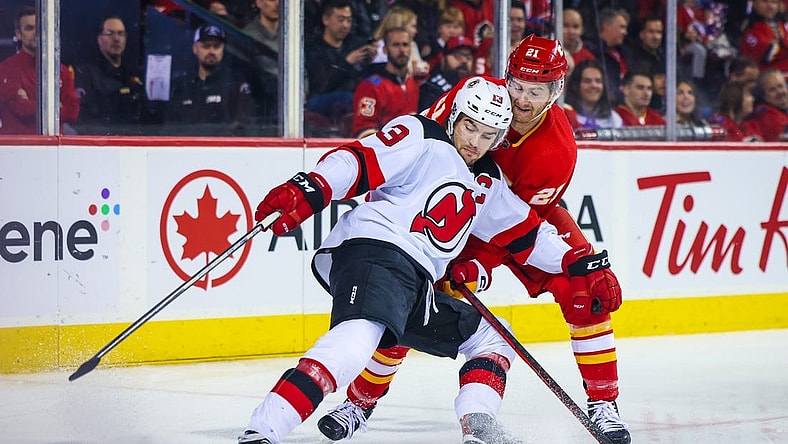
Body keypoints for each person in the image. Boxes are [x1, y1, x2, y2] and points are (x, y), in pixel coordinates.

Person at [238, 76, 621, 444]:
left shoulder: (488, 183)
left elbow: (529, 236)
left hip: (416, 283)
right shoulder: (422, 136)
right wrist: (310, 188)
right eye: (470, 127)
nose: (475, 141)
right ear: (454, 117)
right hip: (376, 253)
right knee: (355, 341)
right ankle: (263, 430)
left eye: (488, 135)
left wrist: (581, 263)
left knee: (493, 336)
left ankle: (479, 427)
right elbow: (360, 160)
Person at [0, 5, 79, 135]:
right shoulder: (6, 68)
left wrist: (30, 102)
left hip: (54, 149)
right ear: (18, 34)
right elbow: (20, 109)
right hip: (16, 148)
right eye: (29, 28)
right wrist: (56, 106)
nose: (36, 33)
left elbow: (72, 112)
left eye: (40, 27)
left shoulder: (62, 70)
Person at [165, 25, 254, 135]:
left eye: (216, 46)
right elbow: (171, 129)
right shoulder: (183, 85)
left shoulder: (235, 83)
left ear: (223, 49)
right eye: (206, 46)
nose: (211, 51)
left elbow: (242, 129)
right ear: (195, 49)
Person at [74, 15, 150, 134]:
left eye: (121, 34)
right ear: (99, 39)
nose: (116, 39)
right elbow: (86, 119)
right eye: (110, 33)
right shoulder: (86, 74)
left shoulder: (133, 73)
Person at [304, 0, 377, 120]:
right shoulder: (314, 49)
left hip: (351, 98)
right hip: (320, 99)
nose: (346, 25)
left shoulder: (353, 45)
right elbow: (321, 84)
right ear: (325, 20)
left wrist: (370, 61)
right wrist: (347, 63)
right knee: (348, 98)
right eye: (340, 20)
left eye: (349, 20)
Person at [351, 27, 420, 138]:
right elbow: (363, 131)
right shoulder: (370, 86)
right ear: (385, 50)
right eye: (395, 45)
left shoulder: (414, 84)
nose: (402, 50)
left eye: (405, 45)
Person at [563, 59, 623, 129]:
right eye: (587, 81)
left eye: (598, 81)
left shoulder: (614, 119)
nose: (594, 85)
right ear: (575, 85)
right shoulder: (566, 114)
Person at [418, 35, 475, 111]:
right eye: (458, 56)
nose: (464, 61)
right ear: (443, 59)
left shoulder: (473, 89)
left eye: (468, 57)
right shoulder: (431, 89)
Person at [586, 8, 630, 105]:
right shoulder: (591, 52)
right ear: (607, 26)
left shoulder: (623, 53)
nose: (625, 32)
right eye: (621, 27)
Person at [739, 0, 788, 75]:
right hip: (771, 79)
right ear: (754, 3)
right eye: (764, 1)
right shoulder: (750, 31)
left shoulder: (783, 25)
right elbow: (763, 57)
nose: (770, 6)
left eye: (774, 2)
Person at [743, 68, 788, 141]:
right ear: (764, 96)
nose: (780, 92)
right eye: (772, 90)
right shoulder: (765, 114)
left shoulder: (782, 111)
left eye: (781, 86)